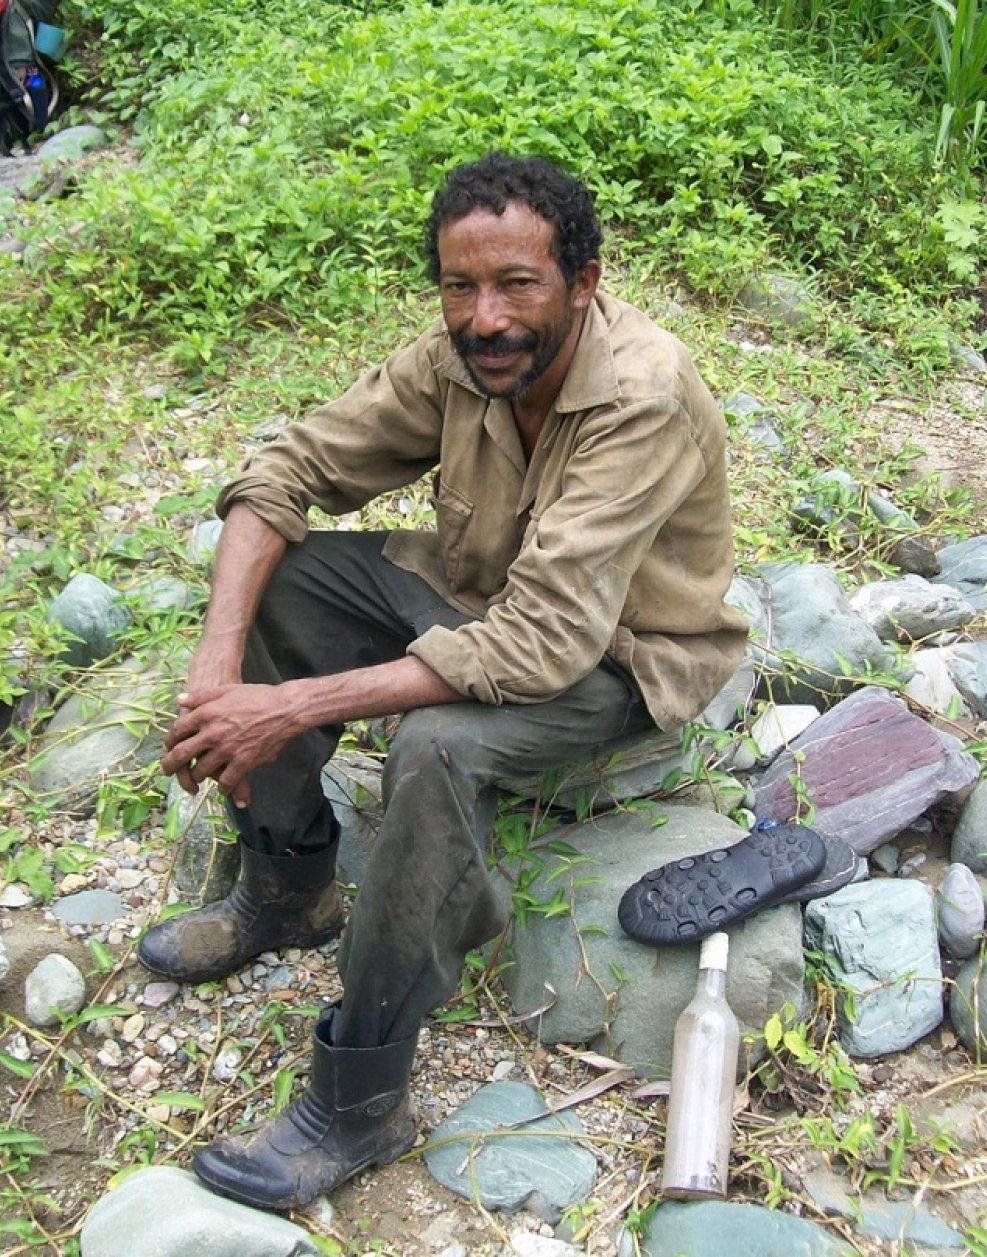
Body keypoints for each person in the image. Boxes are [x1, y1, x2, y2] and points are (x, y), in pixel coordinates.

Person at [144, 151, 747, 1211]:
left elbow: (542, 643)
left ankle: (363, 1091)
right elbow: (288, 471)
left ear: (583, 282)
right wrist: (216, 670)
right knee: (289, 589)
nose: (484, 317)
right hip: (477, 599)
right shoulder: (454, 357)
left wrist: (287, 706)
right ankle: (289, 890)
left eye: (516, 283)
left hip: (612, 656)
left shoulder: (638, 398)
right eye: (459, 286)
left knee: (435, 750)